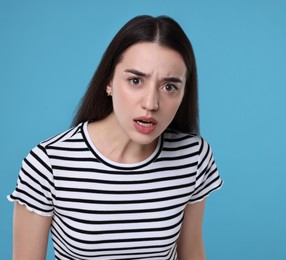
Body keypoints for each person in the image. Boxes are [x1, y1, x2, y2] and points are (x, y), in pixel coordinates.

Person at [8, 15, 223, 260]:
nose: (151, 104)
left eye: (169, 87)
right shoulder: (49, 164)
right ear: (109, 81)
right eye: (135, 80)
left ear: (185, 92)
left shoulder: (193, 156)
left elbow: (192, 252)